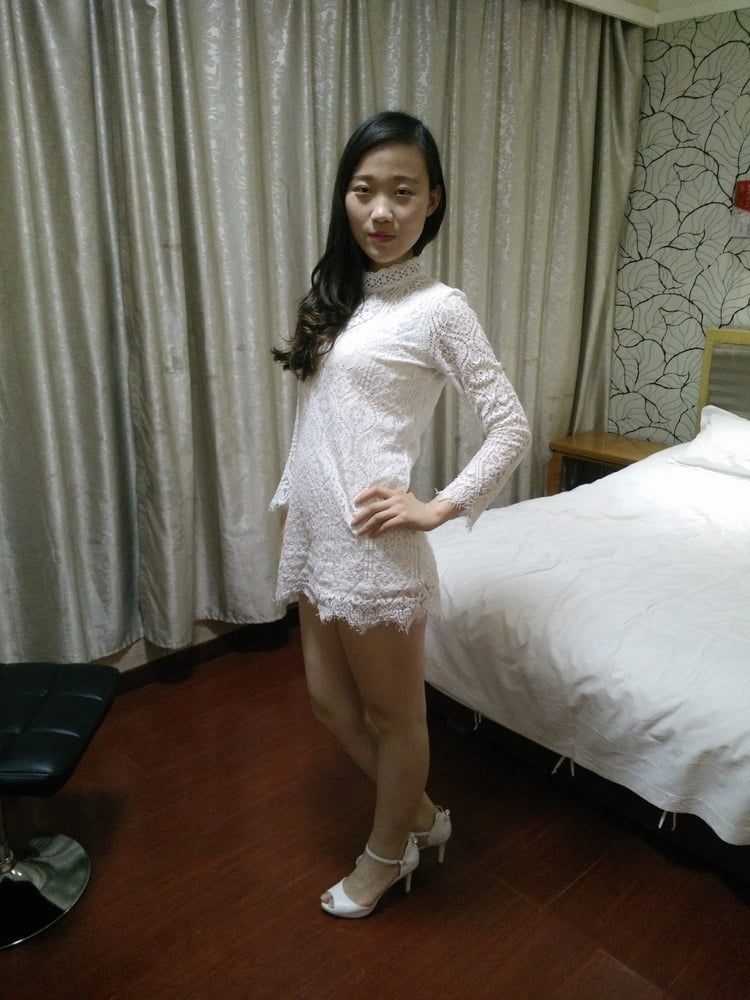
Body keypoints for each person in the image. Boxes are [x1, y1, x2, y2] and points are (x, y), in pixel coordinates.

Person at [271, 111, 530, 919]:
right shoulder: (337, 298)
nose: (380, 211)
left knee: (395, 717)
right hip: (316, 534)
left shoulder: (439, 307)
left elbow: (510, 425)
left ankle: (387, 855)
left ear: (432, 201)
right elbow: (319, 423)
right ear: (344, 197)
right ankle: (420, 818)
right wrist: (290, 507)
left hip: (375, 549)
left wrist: (436, 507)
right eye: (364, 191)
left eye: (402, 193)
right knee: (330, 706)